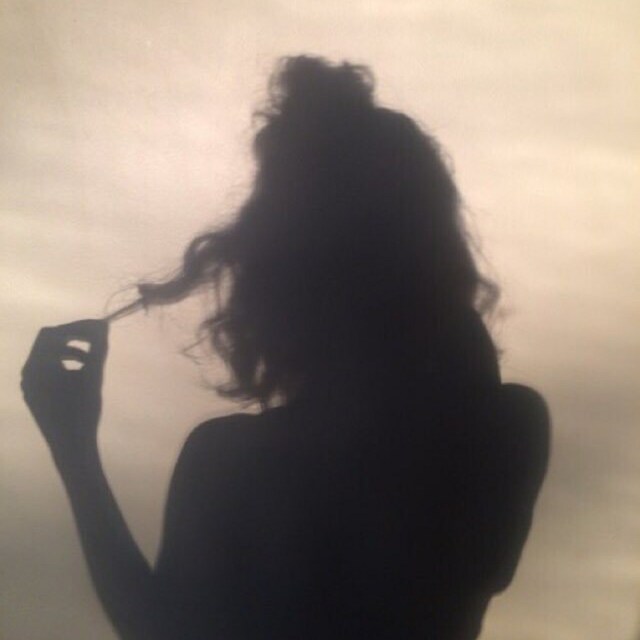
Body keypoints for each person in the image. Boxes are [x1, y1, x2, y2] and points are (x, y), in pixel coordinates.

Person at [21, 56, 550, 639]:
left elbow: (160, 633)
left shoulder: (233, 462)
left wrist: (74, 449)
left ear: (275, 270)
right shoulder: (506, 432)